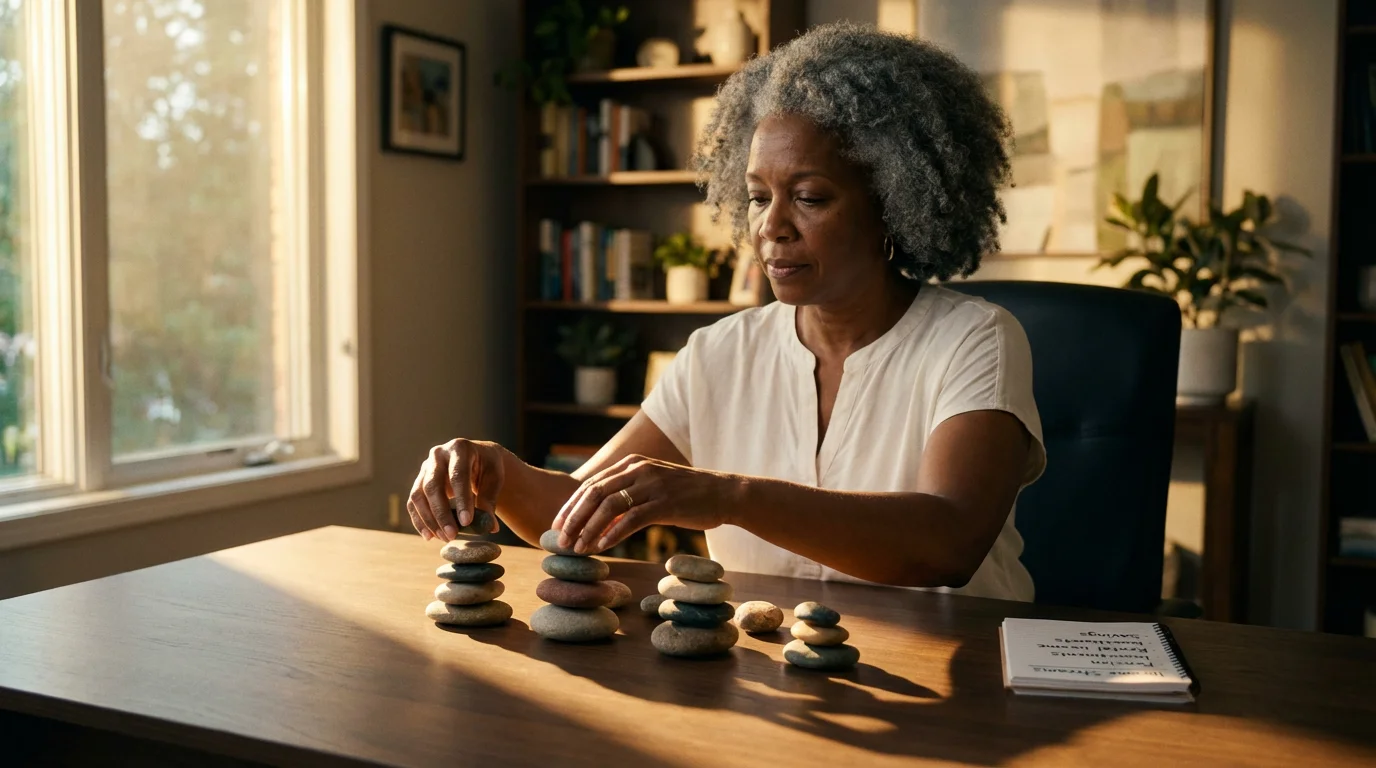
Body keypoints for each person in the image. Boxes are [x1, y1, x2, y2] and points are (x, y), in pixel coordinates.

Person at [407, 22, 1046, 601]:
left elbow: (947, 542)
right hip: (776, 681)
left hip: (968, 686)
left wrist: (728, 496)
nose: (772, 227)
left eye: (810, 198)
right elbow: (572, 513)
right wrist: (497, 469)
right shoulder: (720, 352)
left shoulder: (976, 340)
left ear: (894, 202)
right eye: (758, 197)